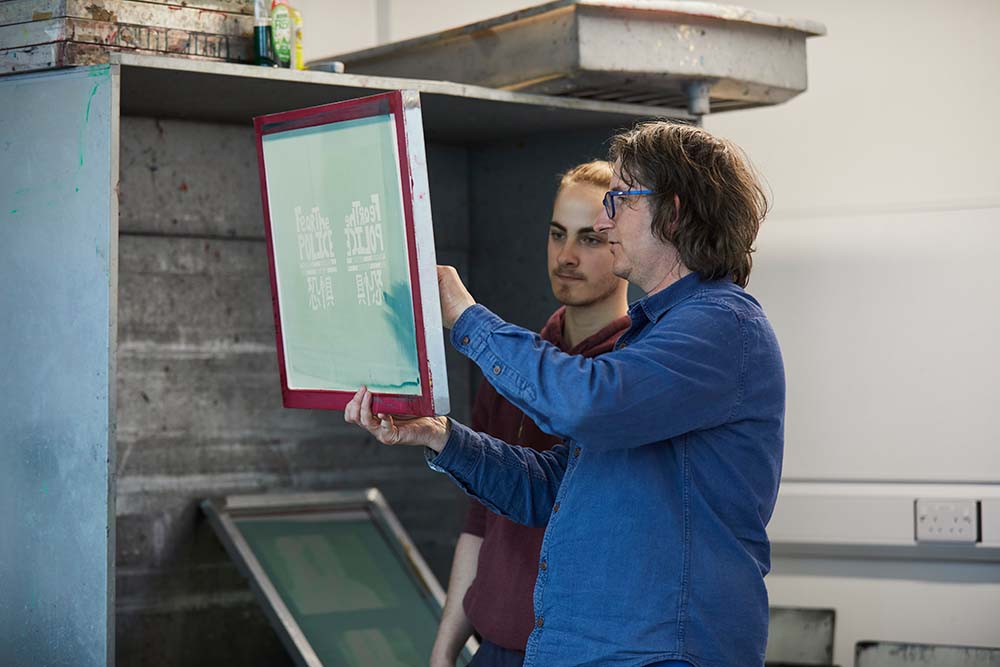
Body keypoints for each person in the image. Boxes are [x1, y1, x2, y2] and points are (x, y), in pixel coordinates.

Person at [345, 121, 785, 667]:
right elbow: (557, 488)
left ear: (671, 213)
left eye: (620, 200)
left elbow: (587, 405)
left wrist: (464, 316)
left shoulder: (722, 325)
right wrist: (437, 435)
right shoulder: (654, 336)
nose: (605, 219)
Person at [430, 161, 631, 667]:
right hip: (493, 649)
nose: (566, 256)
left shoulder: (634, 375)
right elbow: (480, 524)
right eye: (556, 234)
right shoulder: (509, 365)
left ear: (623, 245)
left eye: (590, 238)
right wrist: (445, 647)